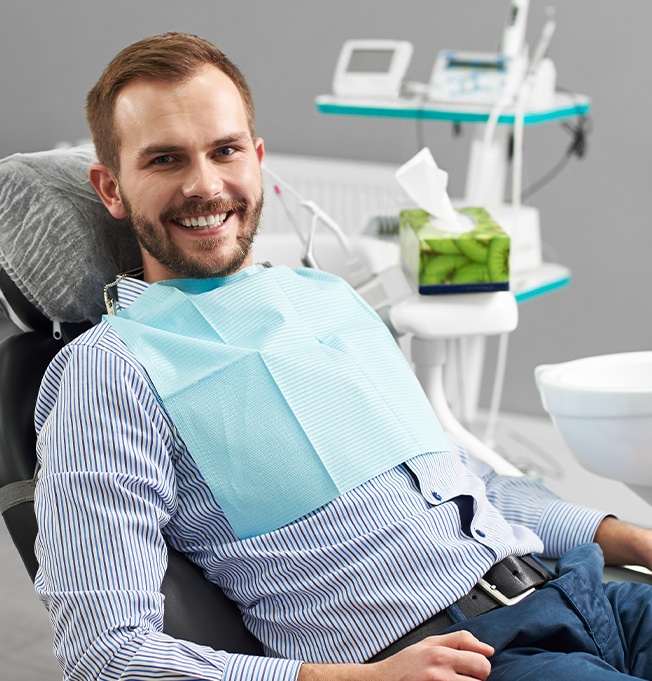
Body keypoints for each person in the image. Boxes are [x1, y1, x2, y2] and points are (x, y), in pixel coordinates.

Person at [34, 32, 652, 681]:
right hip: (446, 658)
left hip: (577, 593)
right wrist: (358, 680)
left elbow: (466, 479)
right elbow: (105, 651)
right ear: (111, 188)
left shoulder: (327, 298)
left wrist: (629, 535)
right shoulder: (112, 371)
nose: (205, 185)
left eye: (225, 150)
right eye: (165, 159)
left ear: (258, 157)